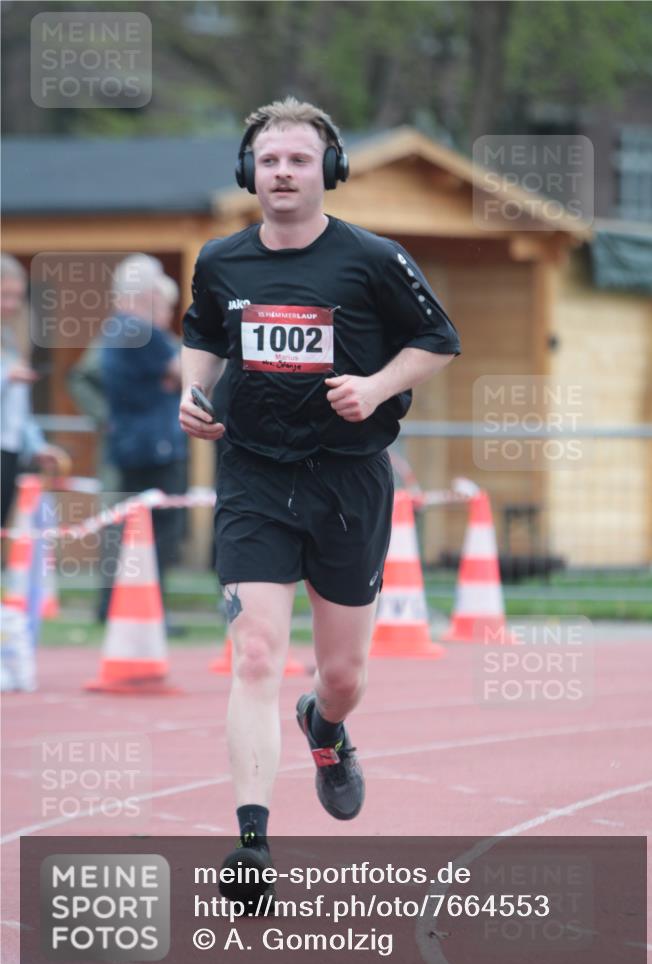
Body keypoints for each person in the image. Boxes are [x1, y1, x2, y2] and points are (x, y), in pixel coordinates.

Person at [179, 97, 461, 903]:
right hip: (254, 475)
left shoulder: (372, 259)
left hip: (348, 480)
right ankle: (251, 843)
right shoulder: (221, 260)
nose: (282, 173)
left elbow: (438, 340)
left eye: (299, 160)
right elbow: (202, 332)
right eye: (269, 160)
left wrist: (373, 388)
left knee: (341, 675)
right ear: (248, 172)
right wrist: (194, 395)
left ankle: (326, 727)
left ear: (328, 172)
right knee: (256, 651)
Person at [100, 256, 188, 622]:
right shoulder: (141, 331)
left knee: (129, 531)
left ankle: (117, 609)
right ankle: (148, 612)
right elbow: (186, 373)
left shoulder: (117, 329)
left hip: (132, 443)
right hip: (154, 446)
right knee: (157, 535)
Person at [1, 253, 69, 526]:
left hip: (9, 450)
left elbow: (19, 410)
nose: (12, 304)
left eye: (17, 296)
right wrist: (6, 377)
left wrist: (36, 445)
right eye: (5, 295)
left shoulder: (11, 340)